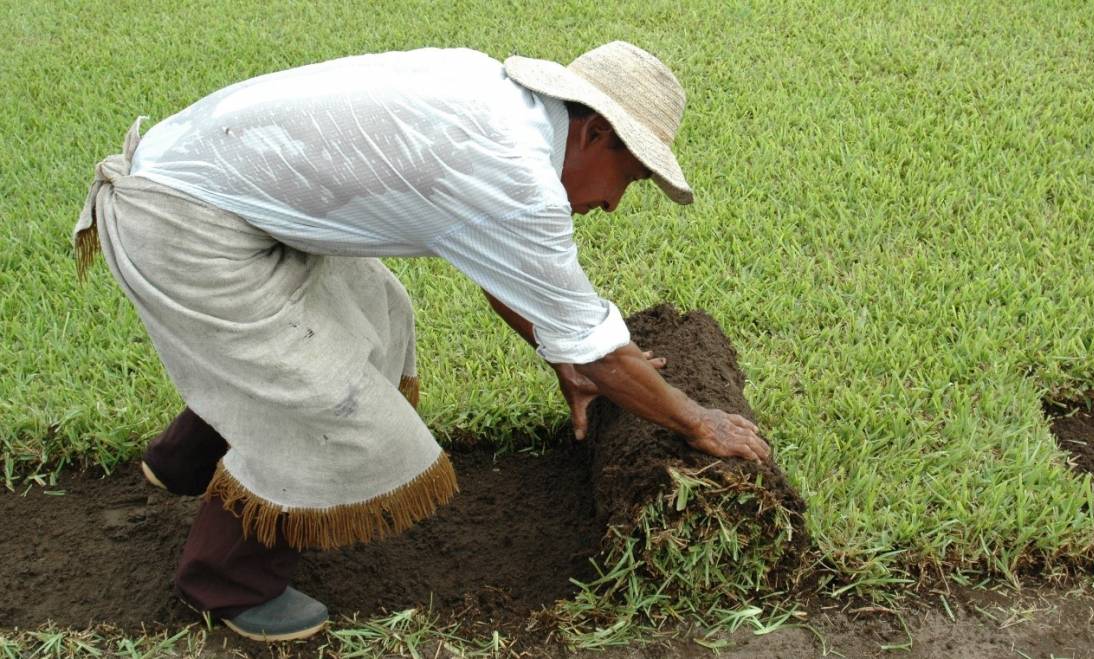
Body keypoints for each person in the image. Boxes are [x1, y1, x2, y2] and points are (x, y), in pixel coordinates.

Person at [73, 41, 772, 641]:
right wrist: (696, 421)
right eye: (631, 178)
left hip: (217, 189)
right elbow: (600, 346)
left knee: (377, 315)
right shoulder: (516, 171)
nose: (614, 204)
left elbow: (505, 269)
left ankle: (183, 462)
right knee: (328, 406)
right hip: (182, 220)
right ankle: (225, 582)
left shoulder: (497, 101)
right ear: (594, 134)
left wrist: (562, 357)